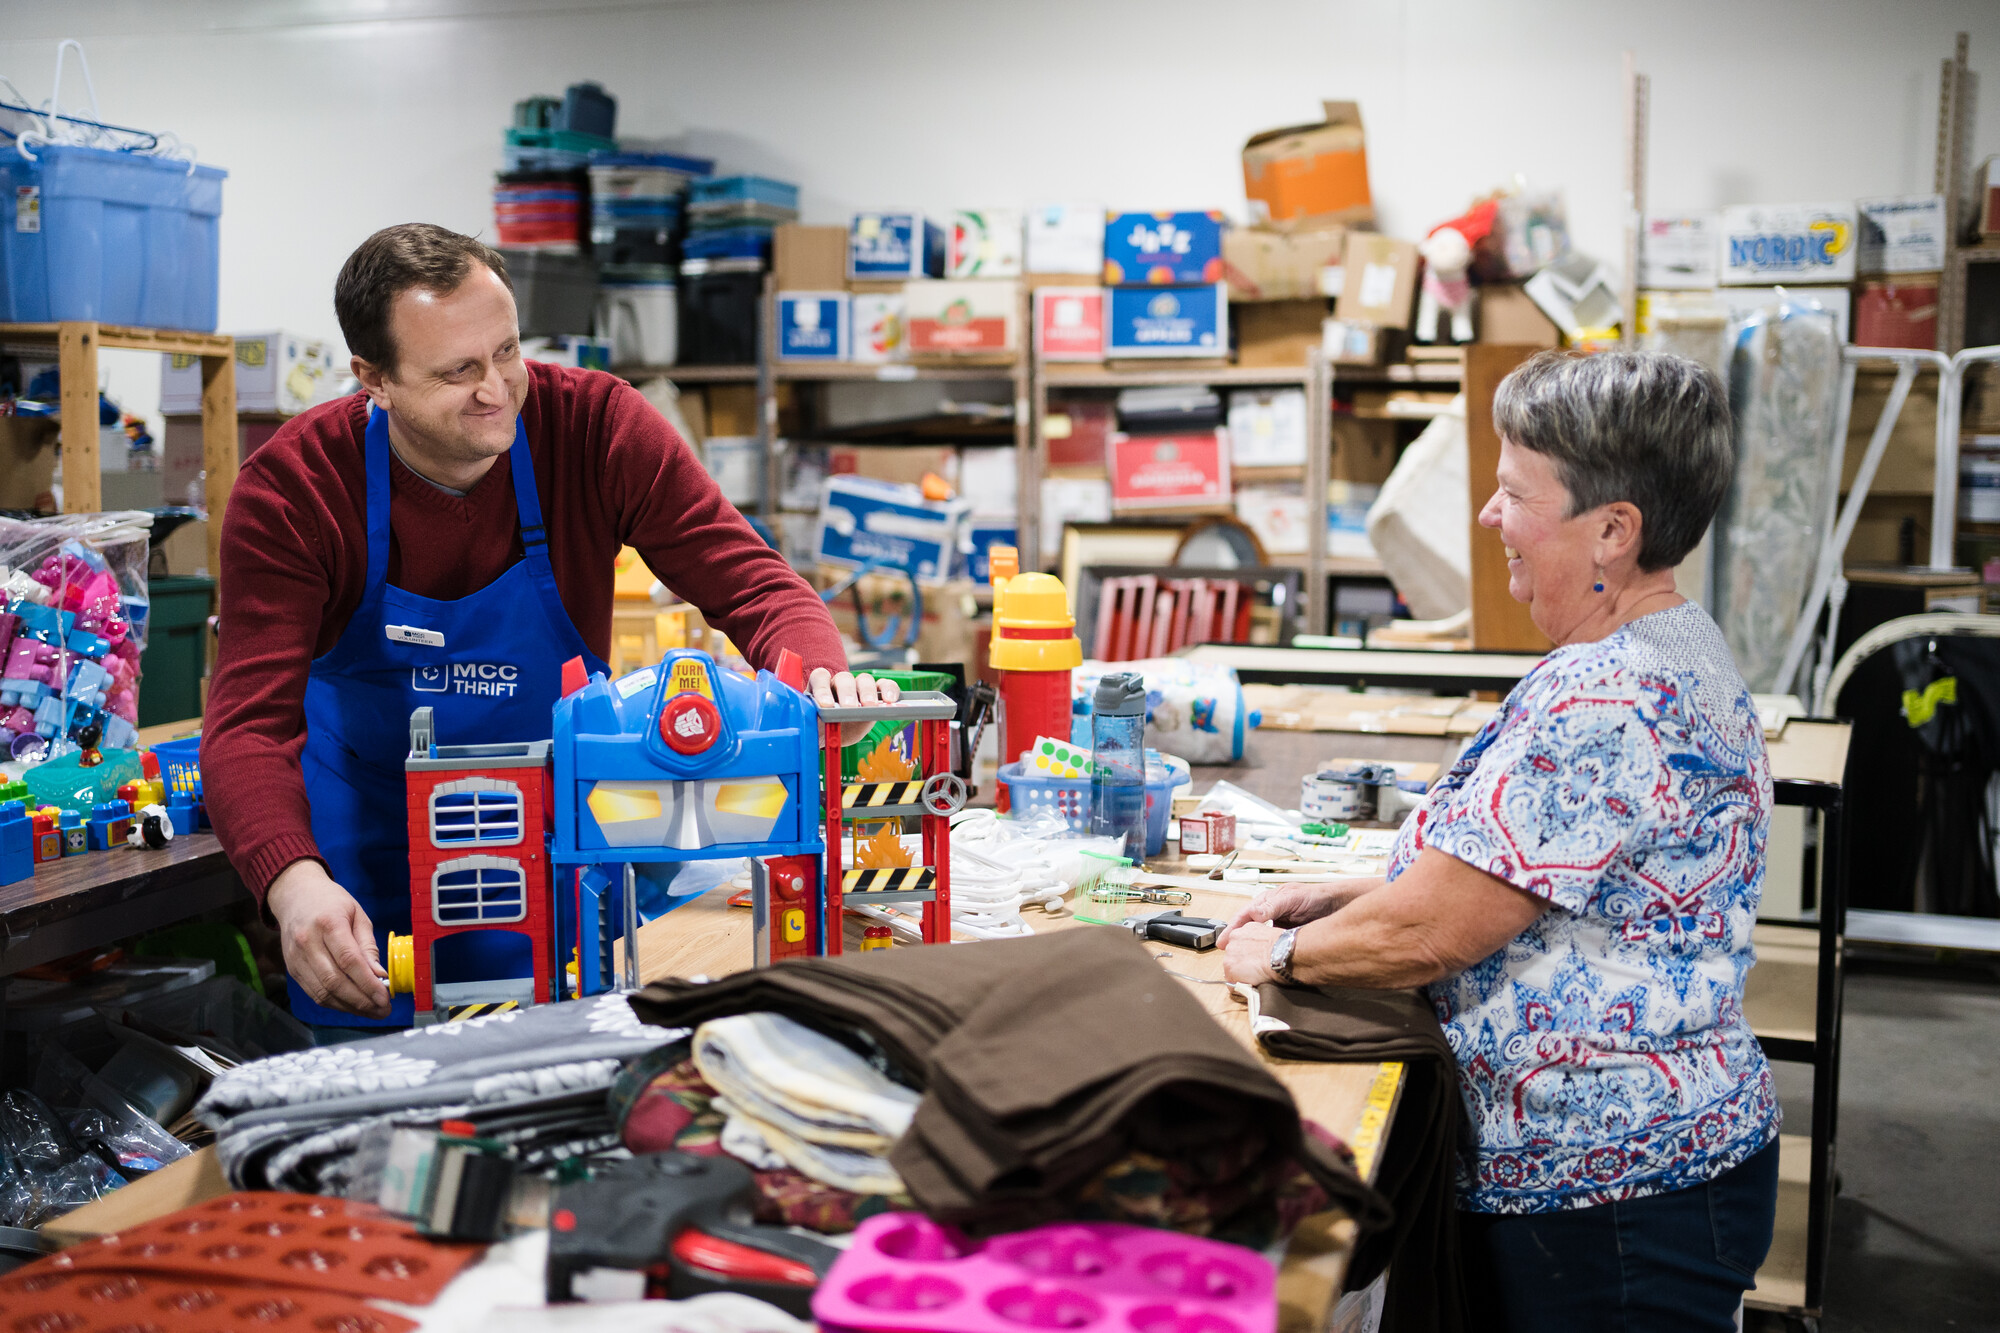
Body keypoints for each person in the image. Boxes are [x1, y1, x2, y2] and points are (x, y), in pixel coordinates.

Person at [204, 223, 896, 1032]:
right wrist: (294, 883)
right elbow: (246, 728)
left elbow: (756, 585)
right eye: (458, 370)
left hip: (566, 850)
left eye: (506, 352)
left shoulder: (594, 427)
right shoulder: (296, 489)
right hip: (370, 875)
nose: (496, 389)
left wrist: (821, 677)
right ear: (374, 379)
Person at [1221, 350, 1778, 1331]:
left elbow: (1437, 929)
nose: (1488, 516)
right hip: (1653, 1172)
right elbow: (1547, 873)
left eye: (1514, 493)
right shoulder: (1672, 641)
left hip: (1611, 1203)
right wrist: (1359, 894)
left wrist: (1280, 955)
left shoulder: (1607, 689)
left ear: (1612, 530)